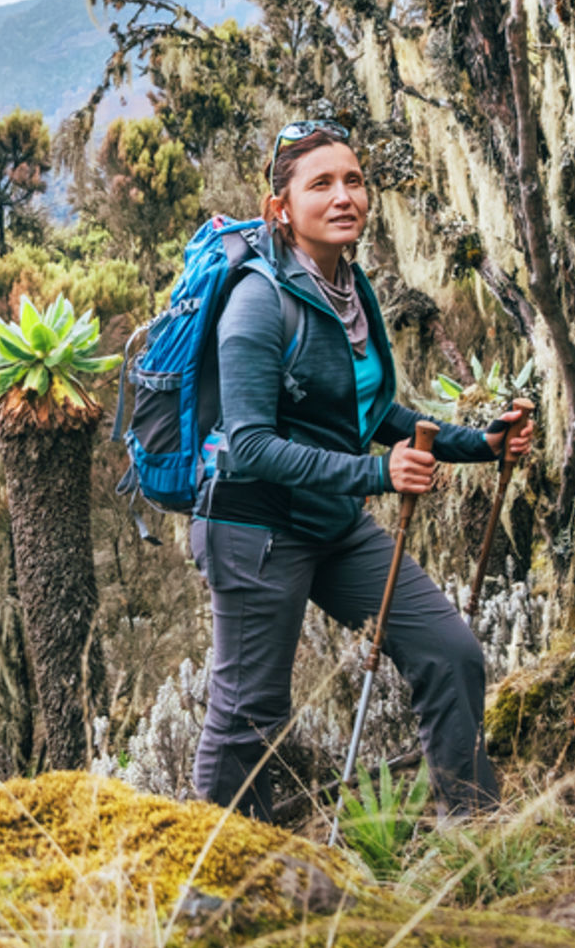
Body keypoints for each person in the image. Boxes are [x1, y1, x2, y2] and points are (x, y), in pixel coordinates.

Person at [191, 118, 533, 823]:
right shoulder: (259, 300)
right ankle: (212, 883)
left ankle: (471, 839)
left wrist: (481, 445)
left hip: (331, 524)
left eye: (354, 180)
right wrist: (379, 476)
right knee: (251, 712)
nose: (345, 196)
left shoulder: (352, 286)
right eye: (322, 184)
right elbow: (250, 445)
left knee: (449, 652)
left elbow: (373, 409)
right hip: (255, 530)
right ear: (281, 207)